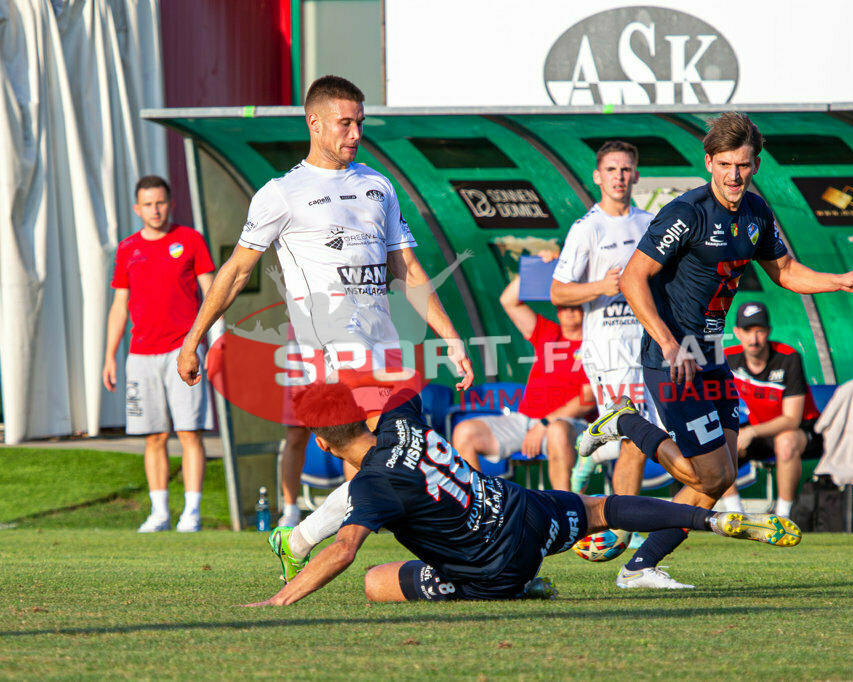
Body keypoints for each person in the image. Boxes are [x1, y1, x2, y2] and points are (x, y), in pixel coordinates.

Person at [582, 112, 853, 589]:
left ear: (755, 163)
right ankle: (625, 423)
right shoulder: (687, 212)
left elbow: (786, 271)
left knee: (721, 477)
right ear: (709, 163)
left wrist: (839, 282)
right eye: (724, 165)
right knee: (709, 473)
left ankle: (640, 566)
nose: (734, 175)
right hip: (674, 357)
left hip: (714, 355)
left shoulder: (757, 212)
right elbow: (634, 278)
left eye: (742, 165)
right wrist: (669, 342)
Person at [175, 75, 473, 527]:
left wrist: (451, 336)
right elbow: (236, 271)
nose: (356, 134)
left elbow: (407, 269)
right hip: (331, 349)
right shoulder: (282, 193)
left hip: (384, 344)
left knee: (380, 460)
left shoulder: (379, 185)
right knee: (386, 451)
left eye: (360, 123)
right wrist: (193, 338)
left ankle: (306, 541)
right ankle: (400, 540)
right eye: (345, 123)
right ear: (314, 123)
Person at [243, 382, 801, 606]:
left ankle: (522, 587)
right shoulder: (398, 422)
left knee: (374, 582)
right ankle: (709, 521)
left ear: (321, 442)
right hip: (521, 508)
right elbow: (400, 388)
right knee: (600, 509)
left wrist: (278, 600)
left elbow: (343, 552)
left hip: (496, 568)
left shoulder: (370, 485)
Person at [103, 175, 215, 533]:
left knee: (189, 432)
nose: (155, 209)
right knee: (152, 436)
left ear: (170, 203)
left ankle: (192, 513)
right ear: (137, 209)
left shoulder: (190, 240)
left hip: (183, 353)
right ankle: (160, 512)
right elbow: (120, 305)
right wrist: (109, 356)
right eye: (148, 204)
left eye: (160, 202)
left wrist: (213, 345)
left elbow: (212, 295)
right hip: (140, 354)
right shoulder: (127, 249)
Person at [550, 140, 655, 496]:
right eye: (611, 169)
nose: (619, 177)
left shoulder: (651, 224)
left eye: (625, 169)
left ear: (636, 175)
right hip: (608, 349)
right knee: (635, 435)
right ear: (597, 176)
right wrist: (600, 286)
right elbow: (557, 292)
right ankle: (631, 528)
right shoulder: (587, 228)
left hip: (647, 344)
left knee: (643, 436)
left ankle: (591, 456)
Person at [451, 251, 592, 490]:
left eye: (575, 305)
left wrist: (545, 424)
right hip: (524, 420)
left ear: (585, 306)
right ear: (556, 307)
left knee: (557, 431)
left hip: (568, 425)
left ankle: (568, 511)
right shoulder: (548, 332)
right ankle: (480, 508)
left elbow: (587, 401)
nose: (568, 311)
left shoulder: (595, 342)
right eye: (563, 305)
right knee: (465, 431)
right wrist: (537, 266)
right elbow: (509, 301)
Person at [721, 301, 823, 518]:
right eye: (748, 331)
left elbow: (791, 420)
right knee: (719, 445)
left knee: (785, 441)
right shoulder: (728, 358)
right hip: (760, 431)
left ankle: (782, 517)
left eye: (759, 331)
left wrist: (751, 432)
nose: (754, 339)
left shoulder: (788, 358)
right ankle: (735, 516)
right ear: (737, 332)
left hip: (804, 432)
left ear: (768, 331)